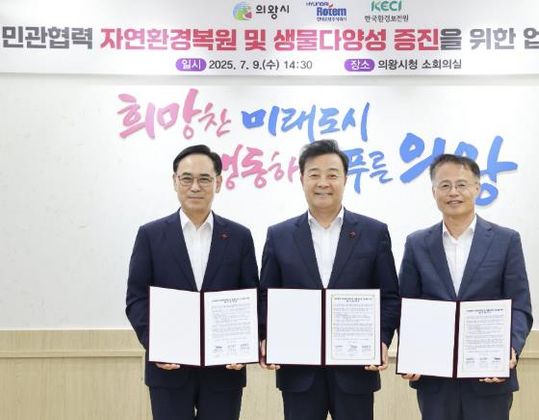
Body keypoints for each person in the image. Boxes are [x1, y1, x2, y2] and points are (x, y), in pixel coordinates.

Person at [258, 139, 400, 420]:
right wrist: (266, 335)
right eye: (314, 174)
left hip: (356, 369)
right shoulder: (279, 235)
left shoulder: (374, 233)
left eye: (332, 175)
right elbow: (266, 294)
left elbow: (389, 295)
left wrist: (382, 340)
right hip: (298, 370)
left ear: (345, 179)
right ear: (302, 179)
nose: (323, 182)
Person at [126, 144, 259, 420]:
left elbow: (252, 296)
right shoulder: (151, 235)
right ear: (175, 181)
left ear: (218, 183)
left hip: (225, 369)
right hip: (168, 368)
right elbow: (137, 298)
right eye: (187, 178)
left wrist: (246, 345)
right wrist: (155, 344)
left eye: (204, 179)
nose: (195, 187)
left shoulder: (239, 236)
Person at [399, 154, 533, 420]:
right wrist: (410, 353)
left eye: (461, 184)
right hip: (435, 378)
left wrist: (510, 347)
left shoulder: (506, 240)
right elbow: (406, 305)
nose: (453, 192)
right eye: (445, 185)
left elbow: (520, 306)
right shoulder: (417, 243)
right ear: (434, 192)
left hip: (488, 376)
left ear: (477, 188)